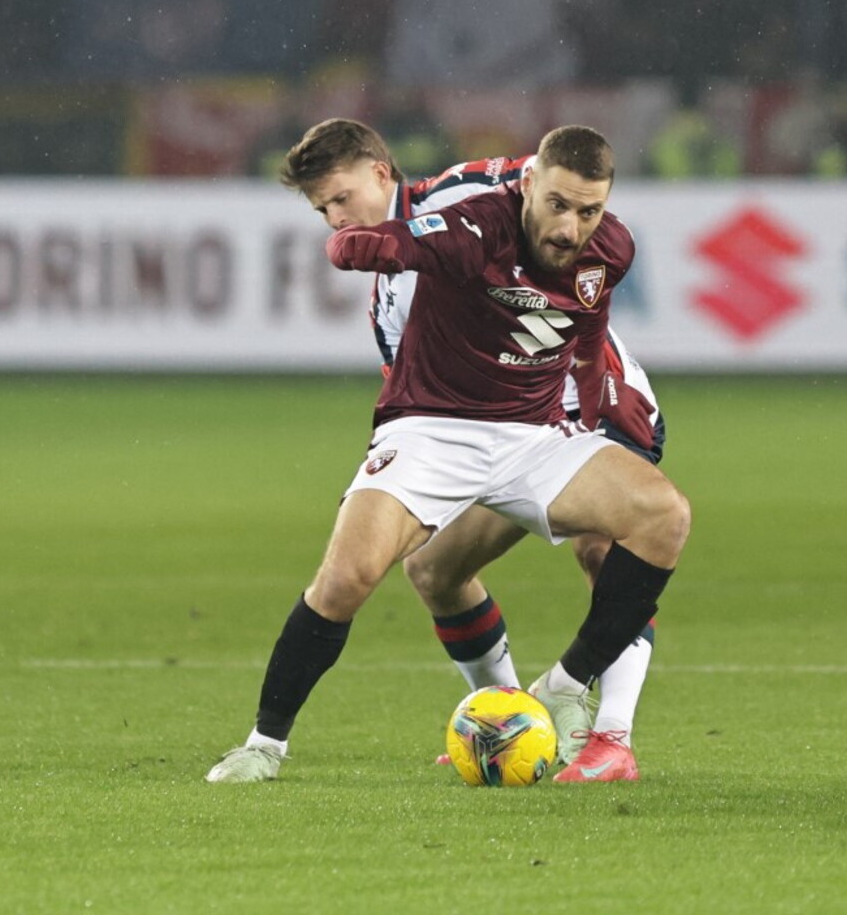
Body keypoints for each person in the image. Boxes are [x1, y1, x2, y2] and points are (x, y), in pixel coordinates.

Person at [205, 124, 690, 785]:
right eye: (324, 210)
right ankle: (271, 742)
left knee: (627, 533)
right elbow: (396, 283)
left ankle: (605, 731)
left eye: (341, 198)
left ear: (380, 173)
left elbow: (582, 297)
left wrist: (602, 396)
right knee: (411, 572)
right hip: (438, 431)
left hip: (547, 423)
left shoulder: (492, 198)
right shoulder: (427, 259)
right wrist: (351, 244)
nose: (336, 214)